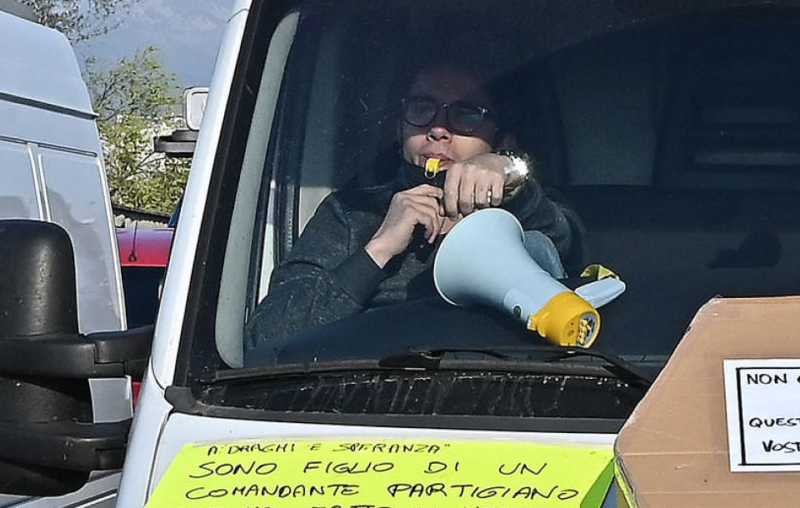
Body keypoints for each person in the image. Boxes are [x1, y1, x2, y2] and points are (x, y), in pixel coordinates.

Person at [249, 62, 585, 348]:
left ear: (500, 140)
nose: (438, 130)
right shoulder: (352, 214)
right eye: (422, 110)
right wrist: (377, 250)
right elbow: (265, 339)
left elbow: (568, 246)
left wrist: (511, 176)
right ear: (400, 129)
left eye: (466, 115)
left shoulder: (526, 206)